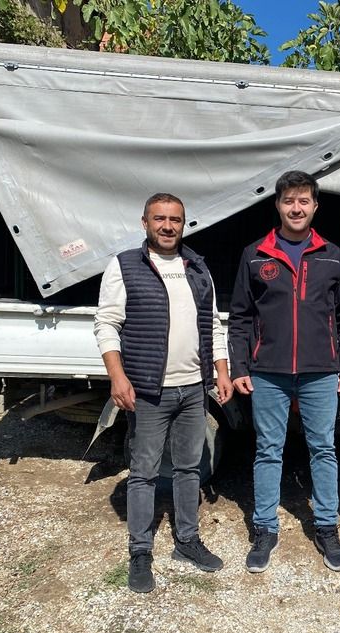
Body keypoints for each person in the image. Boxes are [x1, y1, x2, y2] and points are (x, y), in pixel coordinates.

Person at [94, 192, 233, 594]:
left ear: (183, 224)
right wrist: (117, 378)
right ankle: (140, 552)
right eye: (160, 219)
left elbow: (213, 324)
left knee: (190, 468)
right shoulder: (125, 266)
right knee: (144, 472)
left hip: (193, 388)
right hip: (149, 390)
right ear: (145, 222)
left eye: (175, 219)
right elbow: (106, 325)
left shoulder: (197, 268)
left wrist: (221, 372)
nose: (168, 226)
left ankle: (187, 542)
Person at [228, 170, 340, 574]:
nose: (296, 208)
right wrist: (239, 365)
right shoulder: (255, 254)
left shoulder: (333, 255)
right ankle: (265, 528)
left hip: (321, 371)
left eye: (304, 200)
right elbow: (240, 318)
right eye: (289, 201)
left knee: (324, 449)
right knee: (269, 450)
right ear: (278, 206)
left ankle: (325, 526)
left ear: (315, 206)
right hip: (268, 371)